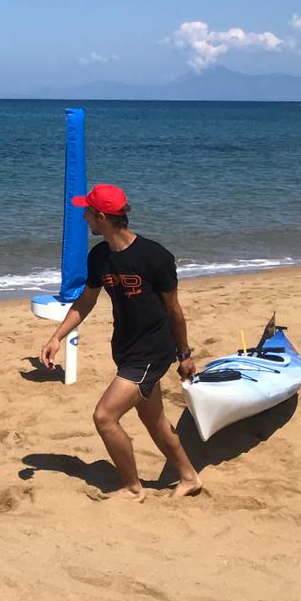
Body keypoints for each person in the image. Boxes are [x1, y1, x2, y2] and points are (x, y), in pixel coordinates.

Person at [40, 184, 201, 501]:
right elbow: (86, 301)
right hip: (126, 349)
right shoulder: (99, 256)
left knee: (104, 417)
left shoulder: (155, 257)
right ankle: (189, 476)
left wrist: (184, 355)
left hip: (152, 352)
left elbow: (174, 310)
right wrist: (56, 337)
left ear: (101, 216)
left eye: (87, 211)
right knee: (153, 419)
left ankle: (131, 488)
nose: (84, 216)